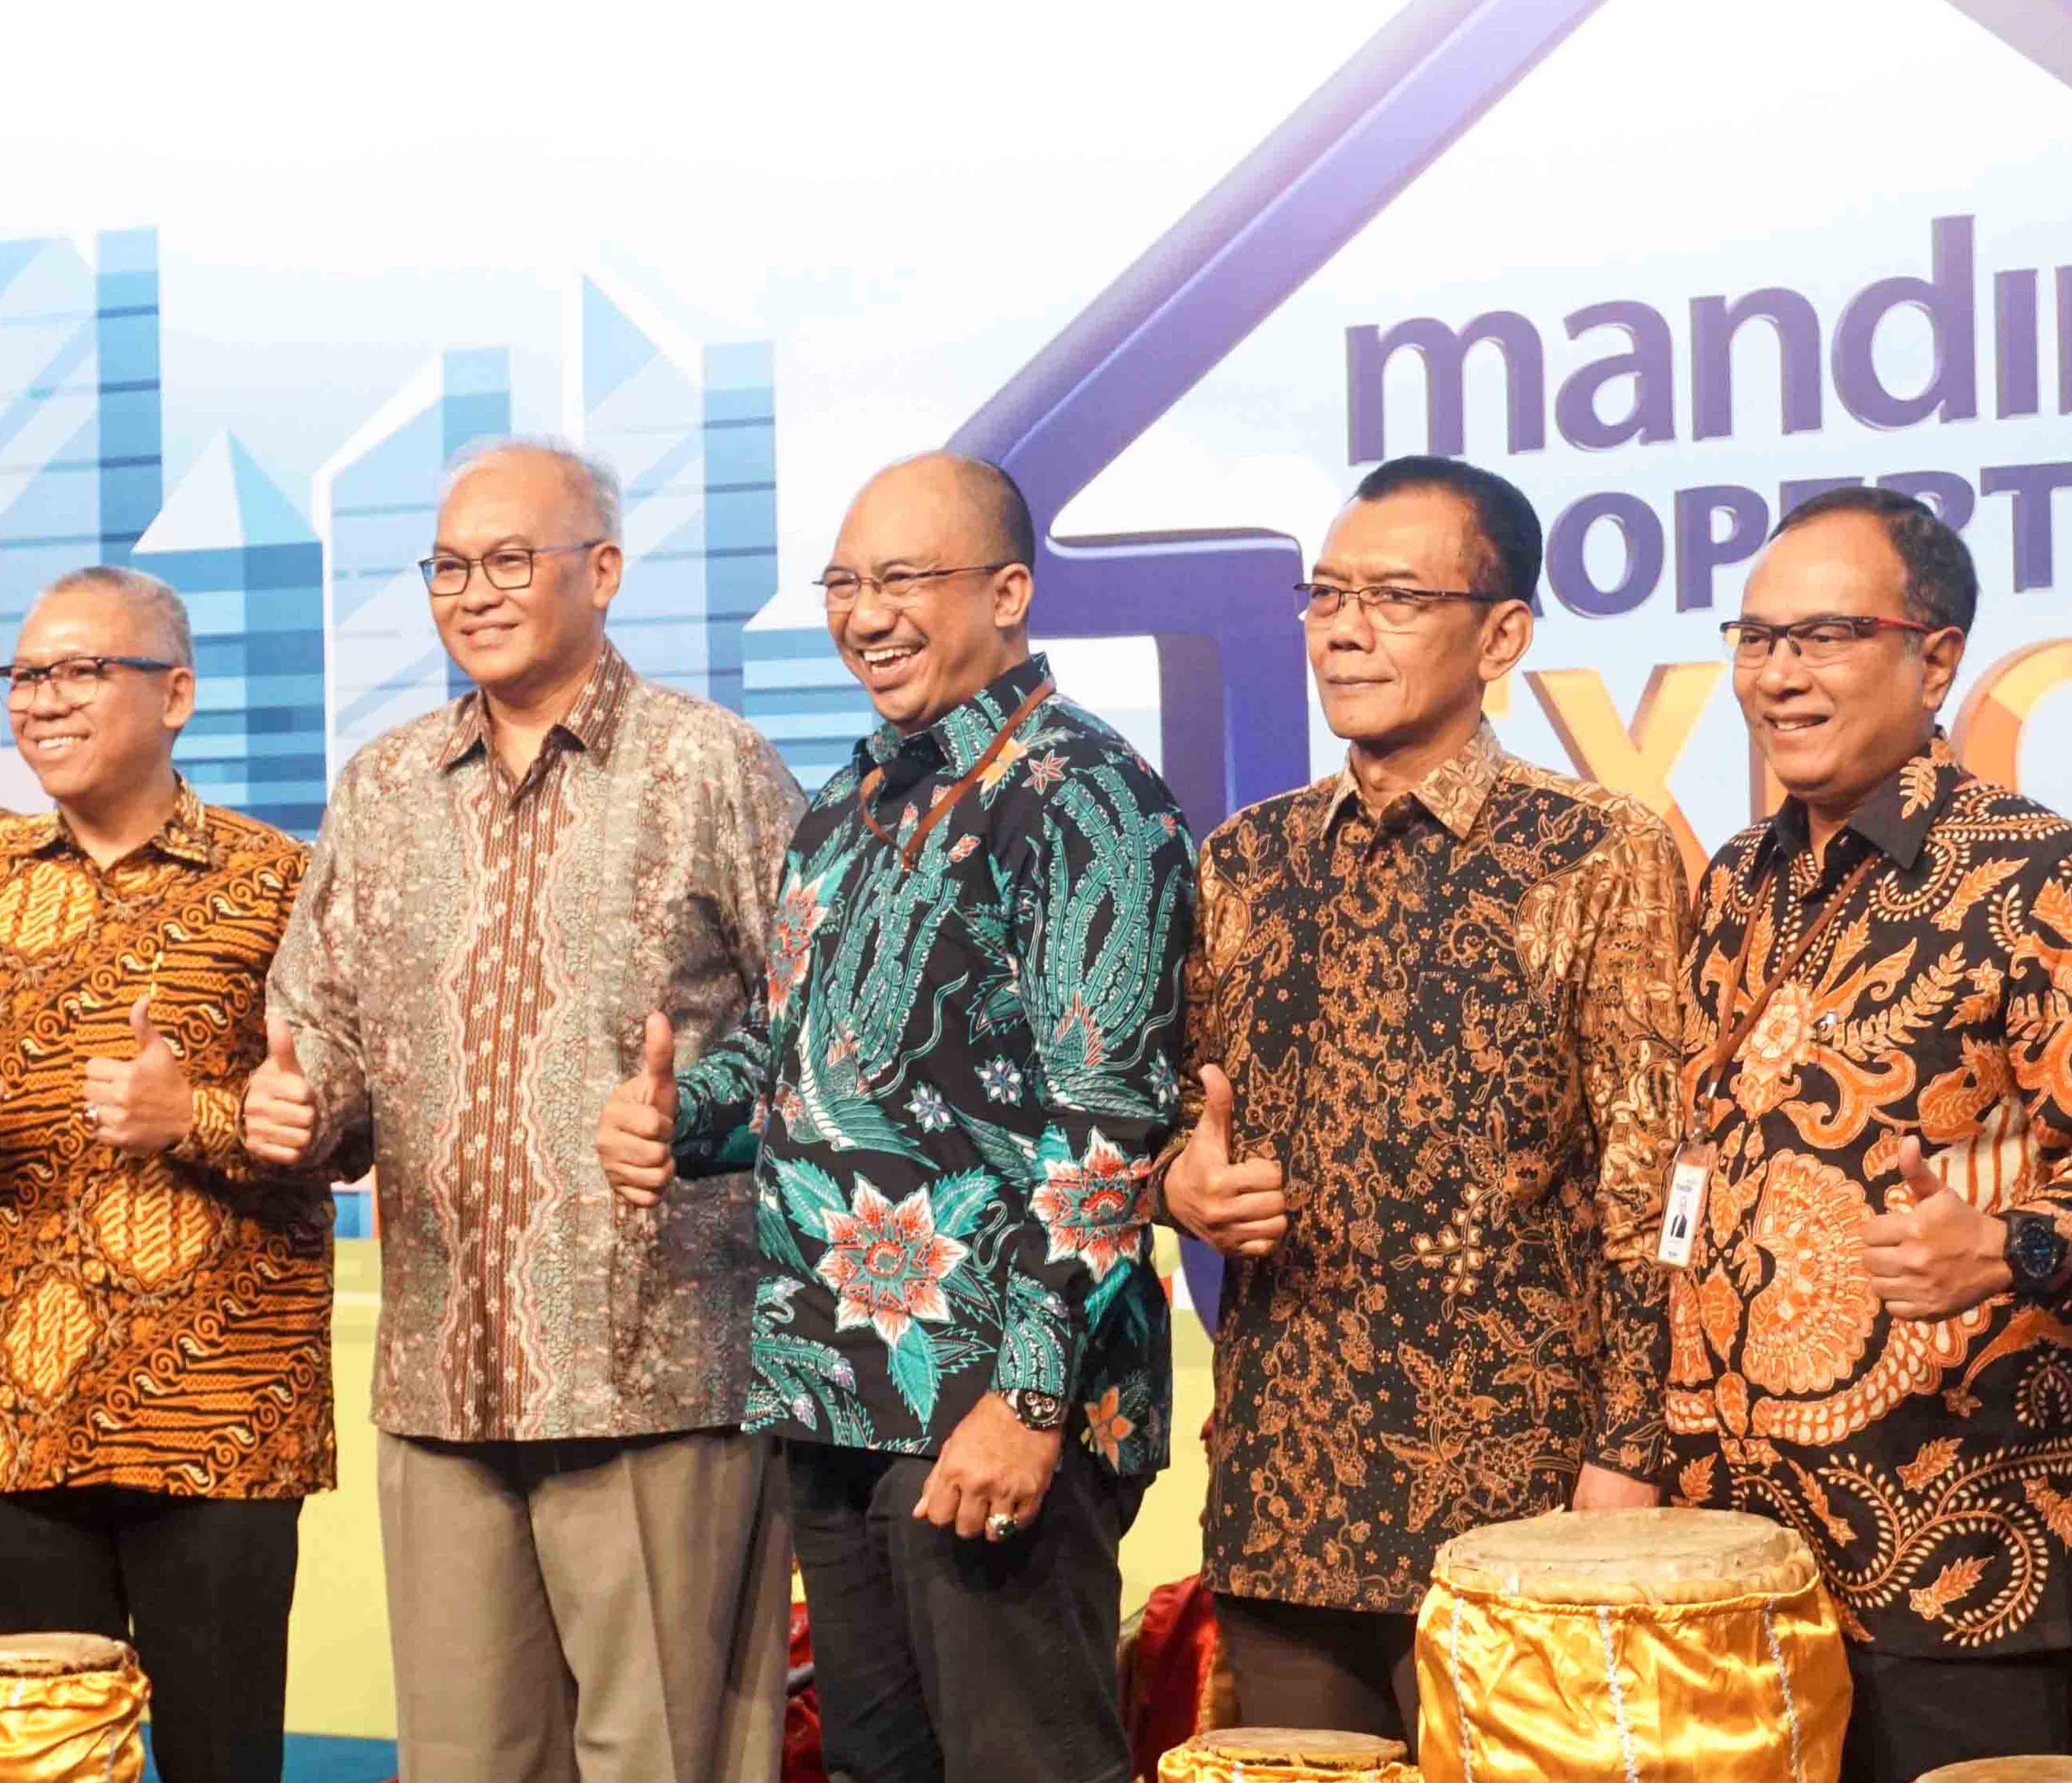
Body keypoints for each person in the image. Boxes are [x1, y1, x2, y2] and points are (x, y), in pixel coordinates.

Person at [599, 453, 1194, 1783]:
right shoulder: (848, 803)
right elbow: (800, 1060)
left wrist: (1028, 1400)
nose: (866, 614)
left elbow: (1106, 1127)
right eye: (843, 583)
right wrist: (680, 1116)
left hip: (994, 1399)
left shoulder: (1085, 795)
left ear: (1010, 592)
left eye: (905, 579)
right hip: (834, 1391)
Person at [257, 443, 802, 1783]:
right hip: (443, 1373)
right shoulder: (382, 785)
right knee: (463, 1762)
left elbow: (821, 1023)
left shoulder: (708, 764)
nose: (473, 592)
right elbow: (322, 1028)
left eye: (510, 559)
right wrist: (296, 1102)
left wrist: (699, 1116)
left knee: (664, 1760)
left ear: (603, 571)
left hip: (653, 1370)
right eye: (448, 566)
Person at [1154, 456, 1687, 1743]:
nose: (1344, 629)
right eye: (1326, 594)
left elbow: (1655, 1173)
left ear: (1501, 635)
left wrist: (1630, 1451)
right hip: (1288, 1491)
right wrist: (1181, 1184)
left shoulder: (1598, 852)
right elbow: (1169, 1115)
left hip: (1522, 1504)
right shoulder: (1248, 859)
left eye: (1394, 597)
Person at [1664, 485, 2072, 1783]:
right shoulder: (1735, 881)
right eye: (1757, 638)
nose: (1779, 674)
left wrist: (2009, 1245)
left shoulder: (2042, 877)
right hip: (1725, 1561)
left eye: (1825, 636)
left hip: (1955, 1561)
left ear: (1936, 659)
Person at [0, 565, 322, 1783]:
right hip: (8, 1420)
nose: (42, 699)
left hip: (219, 1419)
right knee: (31, 1764)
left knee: (223, 1760)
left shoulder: (282, 881)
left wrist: (201, 1116)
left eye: (81, 670)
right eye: (25, 674)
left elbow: (348, 1121)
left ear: (175, 694)